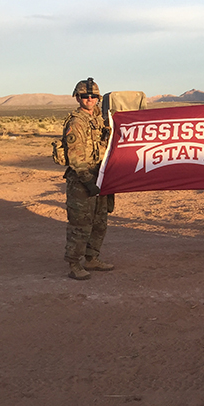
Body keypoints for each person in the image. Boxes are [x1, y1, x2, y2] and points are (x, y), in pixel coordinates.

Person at [62, 77, 114, 280]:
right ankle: (74, 264)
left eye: (93, 96)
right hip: (82, 182)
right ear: (78, 98)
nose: (90, 99)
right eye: (85, 96)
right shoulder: (76, 123)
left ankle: (92, 258)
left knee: (100, 222)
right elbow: (75, 157)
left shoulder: (99, 120)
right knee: (80, 225)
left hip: (100, 177)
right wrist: (87, 181)